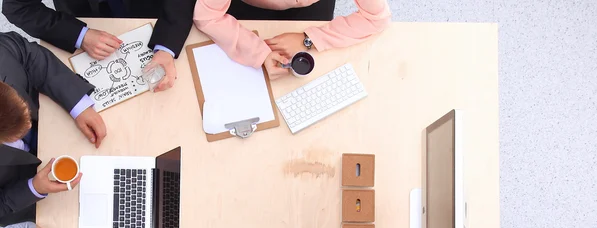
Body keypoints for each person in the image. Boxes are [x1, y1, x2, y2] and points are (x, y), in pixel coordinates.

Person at [0, 31, 106, 224]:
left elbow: (29, 55)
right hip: (29, 199)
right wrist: (33, 188)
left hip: (56, 118)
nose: (29, 126)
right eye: (16, 134)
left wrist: (78, 104)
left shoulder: (2, 54)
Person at [2, 0, 196, 92]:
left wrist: (167, 45)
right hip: (85, 17)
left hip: (154, 16)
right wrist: (79, 35)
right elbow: (18, 8)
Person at [192, 0, 391, 79]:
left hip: (310, 11)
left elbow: (377, 17)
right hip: (245, 11)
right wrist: (258, 52)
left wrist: (310, 38)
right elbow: (207, 15)